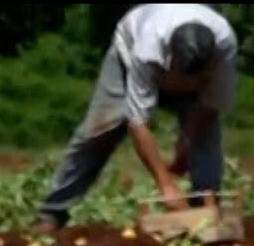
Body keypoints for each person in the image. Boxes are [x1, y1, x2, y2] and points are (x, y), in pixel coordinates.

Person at [33, 4, 238, 233]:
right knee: (100, 130)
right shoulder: (147, 49)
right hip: (129, 52)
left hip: (191, 69)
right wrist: (166, 185)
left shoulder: (224, 47)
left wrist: (185, 146)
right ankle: (52, 212)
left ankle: (206, 208)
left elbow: (208, 109)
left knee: (207, 136)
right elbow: (138, 123)